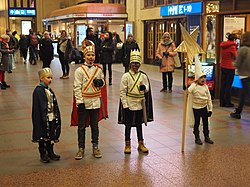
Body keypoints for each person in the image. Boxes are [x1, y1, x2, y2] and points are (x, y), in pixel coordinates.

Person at [73, 40, 106, 160]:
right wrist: (79, 102)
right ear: (84, 56)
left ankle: (95, 146)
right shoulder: (79, 71)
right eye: (88, 55)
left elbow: (103, 83)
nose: (91, 57)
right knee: (81, 127)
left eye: (92, 55)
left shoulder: (99, 70)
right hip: (84, 102)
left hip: (95, 102)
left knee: (95, 126)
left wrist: (101, 83)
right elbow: (77, 87)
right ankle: (81, 148)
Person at [118, 49, 154, 154]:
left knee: (139, 124)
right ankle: (127, 143)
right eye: (133, 64)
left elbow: (147, 88)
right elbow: (122, 91)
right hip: (129, 103)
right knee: (128, 125)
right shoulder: (126, 76)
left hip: (140, 104)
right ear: (130, 64)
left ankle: (141, 143)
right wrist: (125, 104)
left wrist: (144, 88)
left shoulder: (143, 76)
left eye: (137, 64)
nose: (135, 66)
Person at [32, 68, 61, 163]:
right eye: (48, 78)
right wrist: (43, 117)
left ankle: (50, 151)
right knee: (43, 135)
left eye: (51, 78)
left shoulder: (49, 90)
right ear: (41, 78)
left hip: (51, 116)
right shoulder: (38, 91)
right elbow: (38, 107)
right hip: (43, 118)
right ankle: (43, 153)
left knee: (51, 134)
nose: (50, 80)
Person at [187, 56, 214, 145]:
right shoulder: (194, 87)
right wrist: (193, 84)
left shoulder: (205, 87)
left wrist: (210, 109)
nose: (203, 79)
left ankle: (206, 136)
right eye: (201, 77)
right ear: (197, 78)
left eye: (204, 77)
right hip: (196, 108)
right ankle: (197, 137)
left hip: (204, 107)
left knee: (206, 123)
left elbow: (209, 98)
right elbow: (188, 91)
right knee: (197, 123)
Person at [230, 32, 250, 119]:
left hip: (244, 75)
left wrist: (233, 62)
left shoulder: (242, 50)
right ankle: (238, 111)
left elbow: (237, 63)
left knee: (243, 95)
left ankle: (238, 112)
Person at [219, 34, 237, 107]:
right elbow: (236, 56)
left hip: (223, 66)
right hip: (230, 68)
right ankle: (227, 102)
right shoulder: (232, 47)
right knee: (228, 86)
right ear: (234, 39)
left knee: (223, 85)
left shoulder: (223, 45)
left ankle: (222, 102)